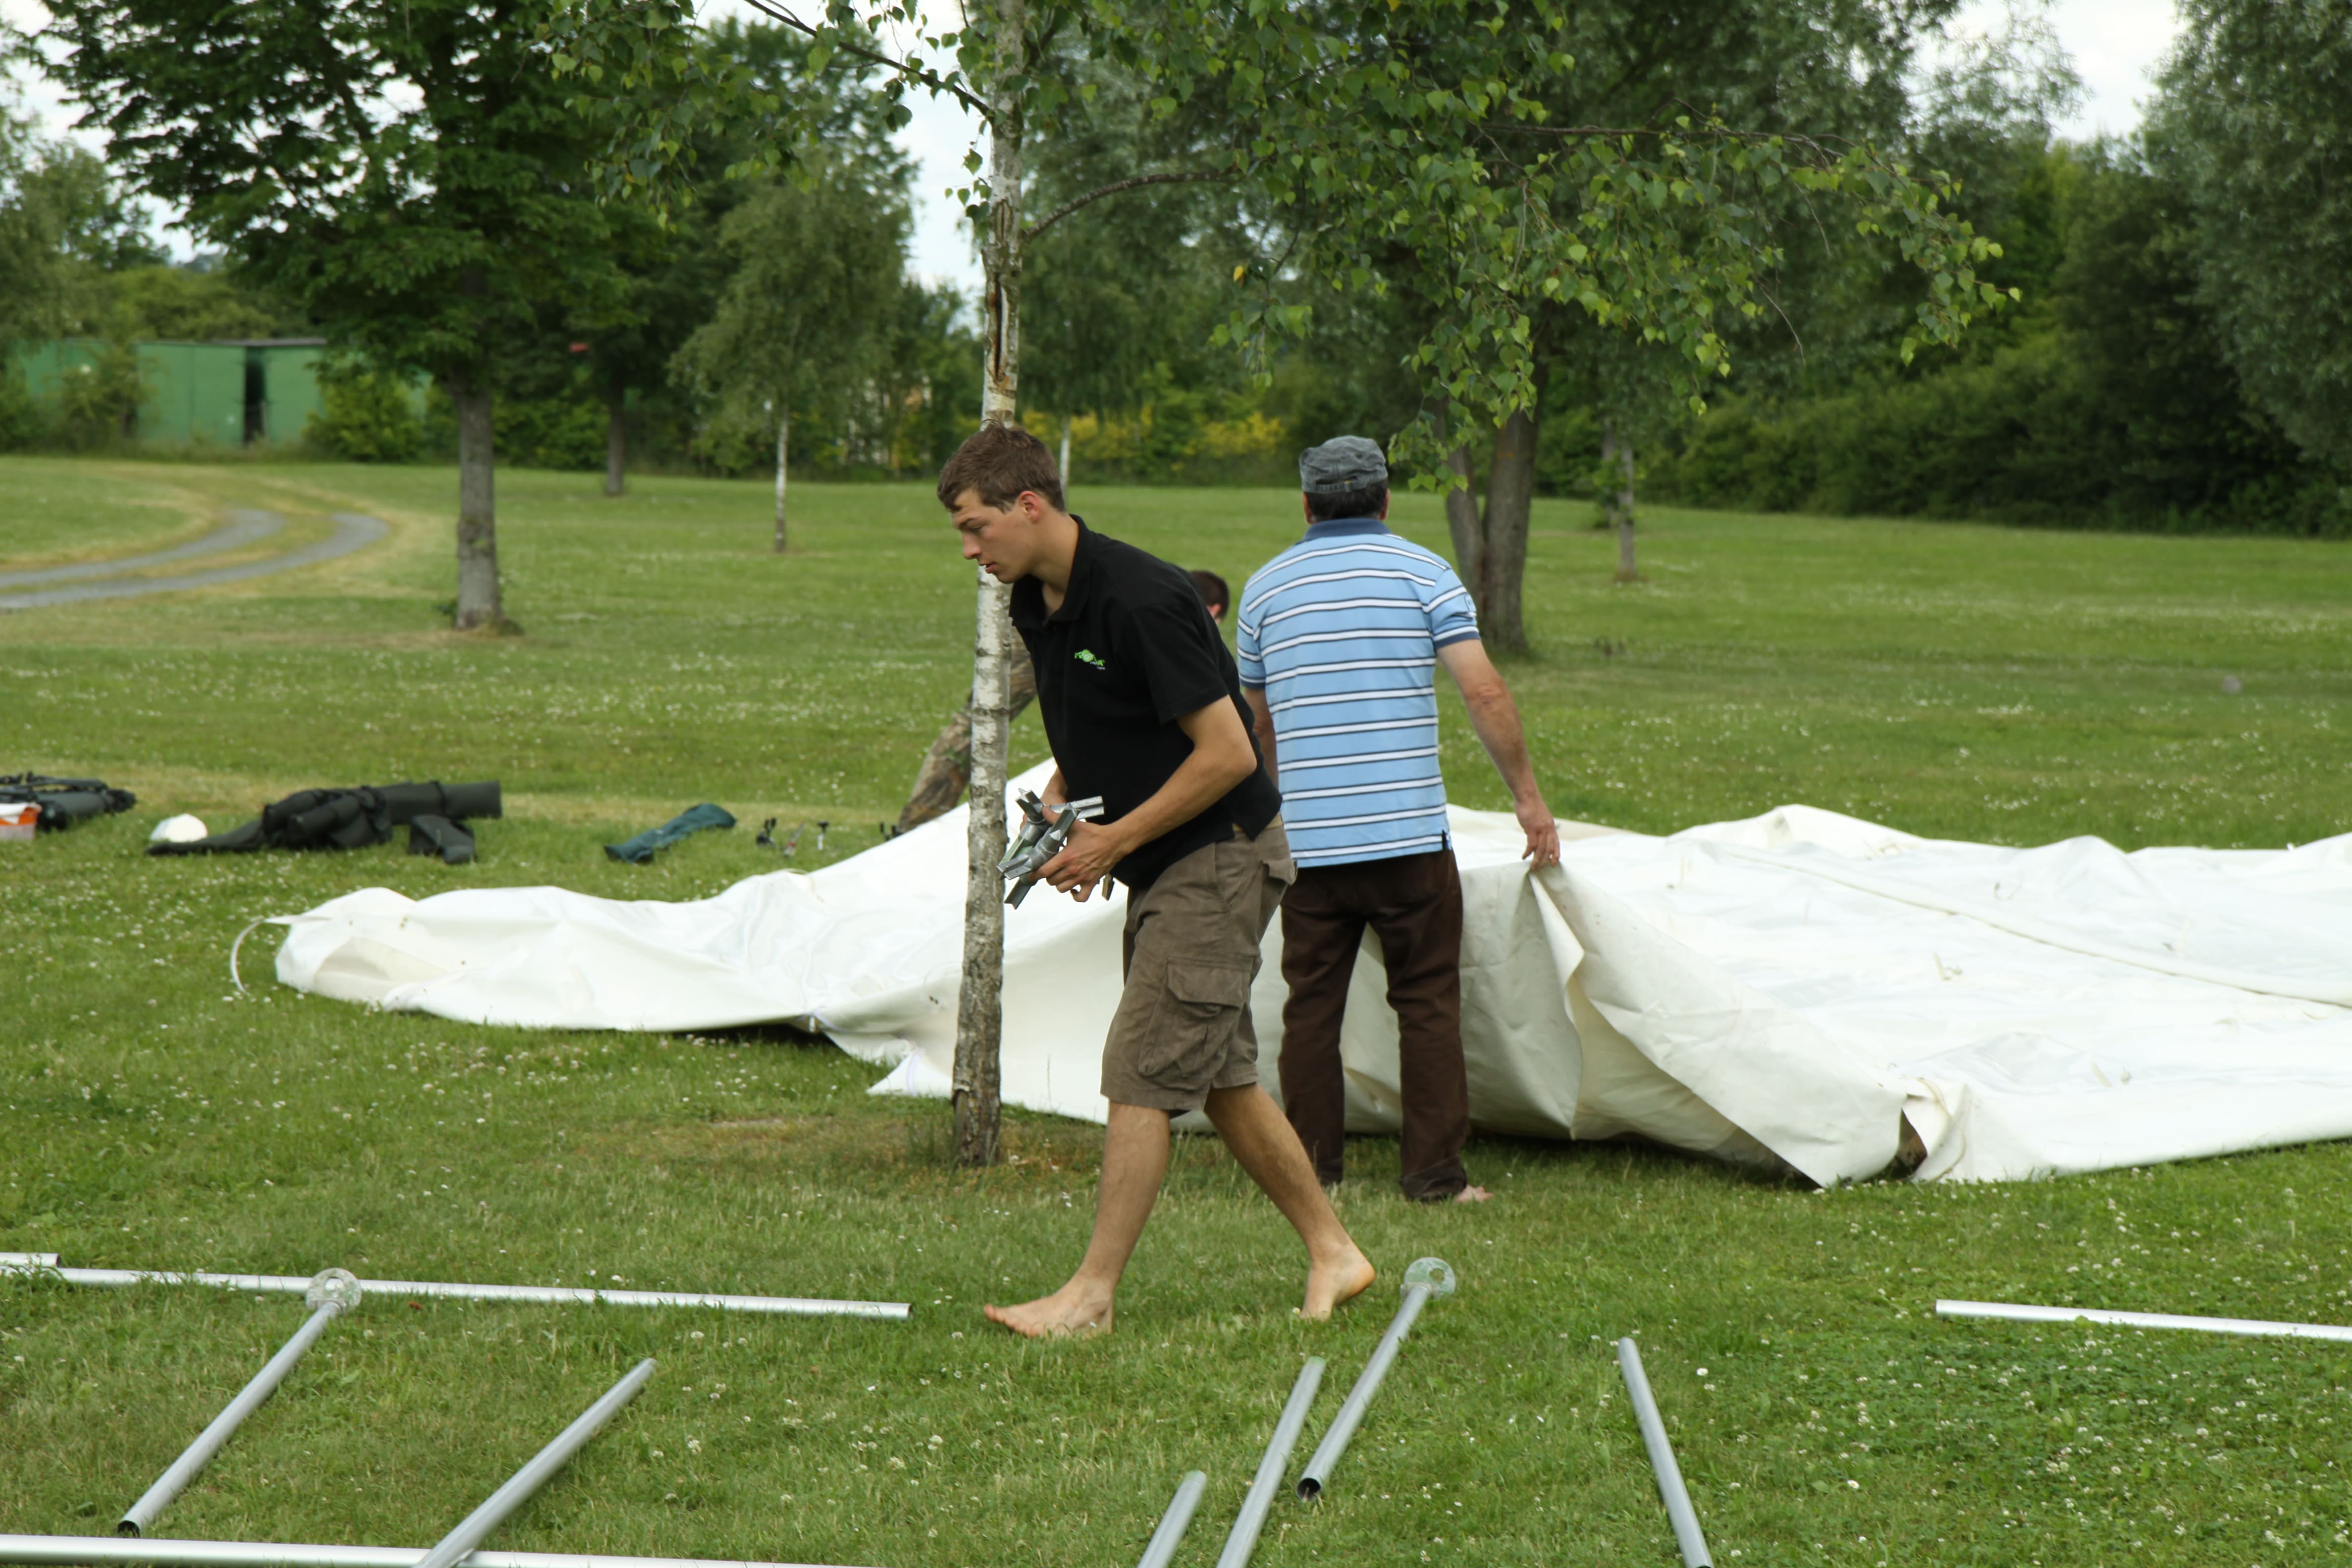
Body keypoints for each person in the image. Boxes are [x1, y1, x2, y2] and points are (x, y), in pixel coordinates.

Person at [936, 424, 1374, 1336]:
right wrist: (1065, 806)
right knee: (1220, 1076)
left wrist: (1115, 843)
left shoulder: (1144, 598)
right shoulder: (1034, 599)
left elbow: (1230, 753)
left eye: (977, 527)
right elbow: (1096, 718)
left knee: (1140, 1067)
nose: (971, 550)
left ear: (1030, 505)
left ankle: (1091, 1298)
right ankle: (1336, 1253)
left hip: (1218, 853)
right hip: (1172, 857)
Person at [1237, 435, 1561, 1202]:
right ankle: (1436, 1177)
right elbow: (1484, 691)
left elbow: (1259, 727)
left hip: (1310, 845)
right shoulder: (1426, 573)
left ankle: (1312, 1176)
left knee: (1311, 1009)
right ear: (1385, 500)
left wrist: (1270, 820)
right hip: (1410, 839)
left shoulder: (1264, 589)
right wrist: (1527, 797)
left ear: (1307, 505)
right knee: (1427, 1003)